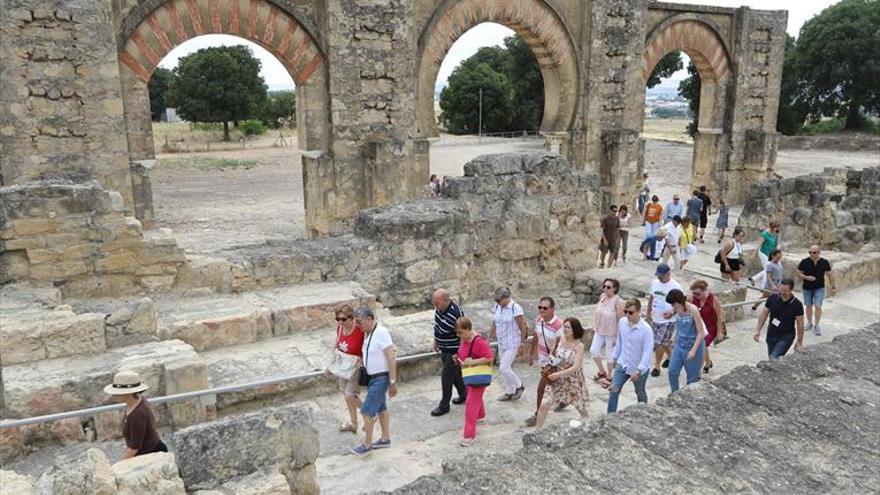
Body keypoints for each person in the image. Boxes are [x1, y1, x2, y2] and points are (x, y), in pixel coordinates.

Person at [351, 308, 398, 455]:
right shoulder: (368, 334)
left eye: (360, 322)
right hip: (373, 377)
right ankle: (385, 438)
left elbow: (391, 357)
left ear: (369, 319)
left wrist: (392, 381)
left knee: (366, 411)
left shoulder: (381, 333)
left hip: (381, 377)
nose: (359, 326)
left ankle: (367, 444)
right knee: (381, 408)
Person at [534, 318, 590, 428]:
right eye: (564, 326)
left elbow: (576, 367)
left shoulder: (579, 346)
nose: (565, 329)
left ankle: (588, 423)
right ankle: (537, 431)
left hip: (572, 380)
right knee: (544, 404)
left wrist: (559, 374)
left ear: (575, 329)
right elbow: (551, 352)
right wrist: (551, 358)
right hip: (556, 377)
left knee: (580, 406)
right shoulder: (560, 338)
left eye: (568, 327)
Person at [104, 370, 168, 459]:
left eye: (117, 392)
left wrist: (120, 464)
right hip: (148, 450)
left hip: (151, 454)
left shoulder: (138, 414)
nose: (113, 394)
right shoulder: (136, 401)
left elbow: (135, 447)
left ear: (129, 392)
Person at [607, 298, 653, 414]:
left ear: (638, 312)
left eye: (631, 312)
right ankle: (610, 416)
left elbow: (647, 353)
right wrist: (614, 358)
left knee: (639, 392)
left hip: (638, 368)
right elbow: (620, 342)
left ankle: (643, 413)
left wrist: (639, 371)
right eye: (625, 311)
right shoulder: (622, 322)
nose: (627, 315)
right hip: (622, 364)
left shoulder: (646, 330)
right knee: (614, 390)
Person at [524, 296, 564, 427]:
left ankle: (537, 415)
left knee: (541, 389)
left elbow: (562, 346)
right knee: (558, 385)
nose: (541, 310)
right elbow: (536, 336)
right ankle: (565, 398)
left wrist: (552, 363)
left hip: (554, 363)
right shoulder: (539, 320)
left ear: (552, 309)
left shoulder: (559, 326)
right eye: (539, 307)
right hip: (543, 360)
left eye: (545, 308)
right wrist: (531, 354)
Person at [454, 317, 494, 446]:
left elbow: (490, 357)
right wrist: (458, 357)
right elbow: (463, 352)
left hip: (478, 375)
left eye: (461, 332)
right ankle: (481, 415)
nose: (459, 335)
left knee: (471, 403)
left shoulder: (479, 341)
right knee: (474, 398)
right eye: (458, 332)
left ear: (468, 329)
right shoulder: (464, 339)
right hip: (469, 374)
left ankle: (469, 435)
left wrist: (473, 361)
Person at [326, 304, 364, 433]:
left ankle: (369, 414)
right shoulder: (340, 328)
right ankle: (354, 423)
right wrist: (330, 365)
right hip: (342, 366)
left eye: (343, 319)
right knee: (347, 395)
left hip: (355, 366)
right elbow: (336, 345)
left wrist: (363, 358)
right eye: (338, 319)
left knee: (349, 395)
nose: (340, 322)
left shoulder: (359, 330)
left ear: (351, 318)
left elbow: (368, 345)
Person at [430, 289, 466, 417]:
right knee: (455, 375)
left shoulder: (456, 313)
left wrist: (460, 353)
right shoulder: (439, 310)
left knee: (446, 377)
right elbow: (437, 325)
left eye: (437, 303)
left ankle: (444, 405)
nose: (436, 306)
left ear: (446, 300)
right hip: (444, 349)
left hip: (453, 351)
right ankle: (464, 394)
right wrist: (436, 340)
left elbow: (463, 334)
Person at [488, 287, 527, 401]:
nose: (497, 303)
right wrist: (489, 337)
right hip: (501, 341)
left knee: (503, 368)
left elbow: (522, 326)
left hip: (513, 342)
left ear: (506, 298)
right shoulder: (497, 307)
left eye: (499, 300)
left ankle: (519, 386)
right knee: (507, 367)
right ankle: (509, 391)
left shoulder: (516, 308)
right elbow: (495, 322)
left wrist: (522, 343)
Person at [665, 289, 706, 393]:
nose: (672, 307)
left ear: (679, 301)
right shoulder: (676, 309)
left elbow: (700, 332)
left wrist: (693, 350)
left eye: (673, 304)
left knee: (692, 378)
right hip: (680, 345)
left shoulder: (693, 310)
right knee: (672, 371)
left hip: (693, 346)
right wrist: (673, 337)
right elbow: (679, 326)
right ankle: (674, 393)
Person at [754, 279, 805, 358]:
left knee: (774, 357)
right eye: (781, 289)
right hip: (771, 334)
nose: (782, 292)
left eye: (785, 290)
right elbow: (763, 314)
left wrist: (799, 340)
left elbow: (800, 323)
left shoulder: (797, 304)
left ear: (791, 290)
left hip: (786, 336)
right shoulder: (772, 298)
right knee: (772, 358)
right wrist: (758, 330)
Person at [647, 263, 682, 377]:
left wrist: (672, 312)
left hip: (668, 320)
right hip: (656, 318)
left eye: (661, 276)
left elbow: (682, 302)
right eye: (658, 275)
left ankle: (656, 366)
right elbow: (652, 297)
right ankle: (672, 357)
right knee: (664, 341)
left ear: (668, 274)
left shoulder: (676, 286)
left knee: (659, 343)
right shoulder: (654, 283)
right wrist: (648, 313)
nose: (659, 278)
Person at [590, 278, 624, 385]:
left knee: (609, 354)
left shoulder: (618, 302)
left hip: (611, 332)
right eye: (604, 286)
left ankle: (610, 375)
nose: (605, 289)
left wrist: (618, 336)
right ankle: (601, 371)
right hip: (599, 329)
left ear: (615, 288)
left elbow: (621, 320)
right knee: (594, 350)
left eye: (608, 287)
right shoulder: (602, 297)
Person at [796, 245, 836, 336]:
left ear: (819, 253)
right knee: (809, 306)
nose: (811, 254)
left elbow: (830, 275)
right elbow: (798, 272)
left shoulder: (824, 262)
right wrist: (806, 277)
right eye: (810, 252)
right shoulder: (804, 262)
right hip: (807, 288)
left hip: (819, 288)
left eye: (814, 253)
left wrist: (833, 287)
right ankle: (809, 323)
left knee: (818, 306)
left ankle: (817, 325)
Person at [689, 280, 724, 374]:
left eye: (698, 293)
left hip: (710, 328)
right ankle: (708, 362)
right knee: (703, 346)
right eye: (694, 293)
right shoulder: (693, 298)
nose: (695, 295)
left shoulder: (713, 300)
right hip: (698, 327)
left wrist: (719, 332)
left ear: (704, 291)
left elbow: (720, 315)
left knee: (702, 345)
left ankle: (696, 372)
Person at [749, 221, 780, 288]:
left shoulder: (775, 234)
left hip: (771, 254)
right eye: (776, 227)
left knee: (768, 269)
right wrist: (754, 254)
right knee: (767, 269)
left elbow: (775, 245)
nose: (777, 228)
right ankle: (763, 286)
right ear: (772, 227)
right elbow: (759, 244)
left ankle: (754, 279)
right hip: (763, 253)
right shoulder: (765, 234)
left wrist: (777, 236)